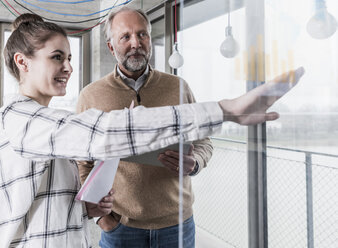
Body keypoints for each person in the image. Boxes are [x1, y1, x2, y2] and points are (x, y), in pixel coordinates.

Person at [0, 13, 303, 248]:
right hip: (122, 228)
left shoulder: (49, 119)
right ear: (22, 62)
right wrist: (226, 109)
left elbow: (48, 205)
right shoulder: (19, 120)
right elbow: (102, 136)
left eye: (68, 58)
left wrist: (86, 210)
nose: (67, 66)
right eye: (57, 57)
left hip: (175, 221)